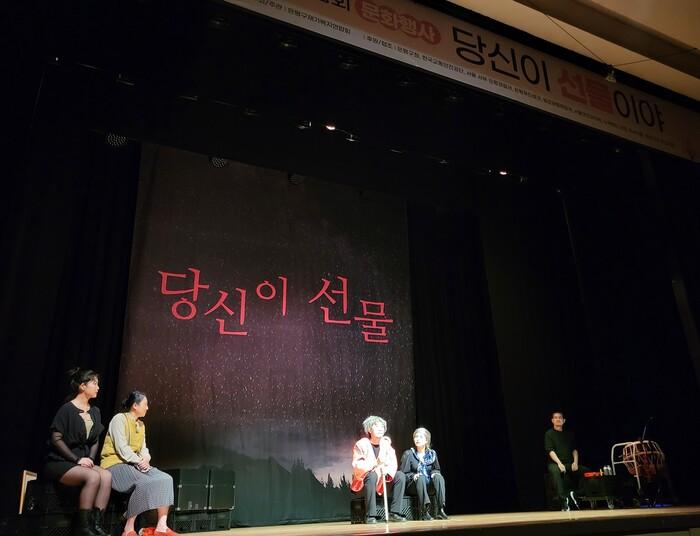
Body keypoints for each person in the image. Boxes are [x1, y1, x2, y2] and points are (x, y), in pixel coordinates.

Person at [44, 367, 112, 536]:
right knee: (93, 476)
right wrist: (77, 459)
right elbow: (56, 439)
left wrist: (90, 458)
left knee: (106, 476)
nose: (98, 387)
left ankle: (96, 524)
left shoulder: (95, 411)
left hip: (82, 461)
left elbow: (95, 440)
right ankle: (83, 527)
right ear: (82, 386)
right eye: (94, 383)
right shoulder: (67, 409)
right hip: (61, 461)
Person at [101, 391, 178, 536]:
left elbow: (143, 448)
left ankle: (161, 526)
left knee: (166, 479)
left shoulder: (141, 425)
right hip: (114, 465)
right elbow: (121, 448)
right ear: (135, 406)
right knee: (144, 482)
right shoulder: (119, 419)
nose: (147, 408)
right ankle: (128, 529)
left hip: (134, 464)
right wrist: (139, 461)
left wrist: (146, 458)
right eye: (145, 404)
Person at [351, 415, 407, 523]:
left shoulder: (386, 445)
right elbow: (358, 465)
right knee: (372, 476)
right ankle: (370, 515)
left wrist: (387, 471)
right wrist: (375, 463)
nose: (380, 429)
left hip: (383, 476)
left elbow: (392, 463)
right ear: (369, 429)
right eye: (377, 426)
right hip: (367, 479)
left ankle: (395, 512)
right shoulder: (361, 444)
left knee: (400, 475)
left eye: (382, 427)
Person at [545, 411, 589, 510]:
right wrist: (559, 463)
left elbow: (574, 450)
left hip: (569, 463)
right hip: (555, 463)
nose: (558, 419)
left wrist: (575, 462)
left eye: (560, 417)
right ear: (552, 420)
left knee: (586, 471)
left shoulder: (569, 434)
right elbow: (550, 450)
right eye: (556, 418)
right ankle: (564, 501)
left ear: (564, 421)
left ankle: (576, 494)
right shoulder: (549, 434)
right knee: (556, 472)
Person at [400, 427, 448, 520]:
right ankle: (424, 511)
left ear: (426, 440)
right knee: (421, 477)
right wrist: (413, 475)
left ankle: (440, 510)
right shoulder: (409, 454)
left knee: (439, 477)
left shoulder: (432, 454)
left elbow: (436, 469)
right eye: (416, 437)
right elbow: (403, 474)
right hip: (413, 485)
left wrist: (434, 473)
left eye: (420, 437)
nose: (417, 439)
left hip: (428, 484)